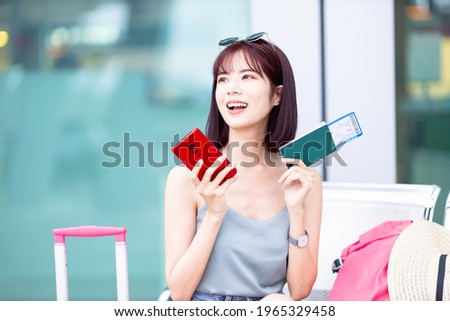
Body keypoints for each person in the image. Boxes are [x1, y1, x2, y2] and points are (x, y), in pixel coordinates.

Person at [164, 32, 322, 301]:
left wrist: (296, 213)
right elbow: (179, 293)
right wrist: (214, 213)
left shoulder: (303, 181)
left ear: (277, 96)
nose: (231, 88)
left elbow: (300, 290)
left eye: (247, 77)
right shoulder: (187, 178)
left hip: (270, 310)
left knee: (278, 301)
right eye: (223, 79)